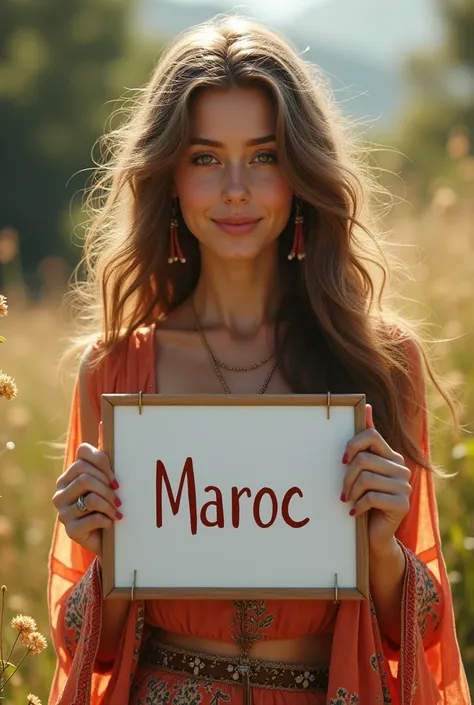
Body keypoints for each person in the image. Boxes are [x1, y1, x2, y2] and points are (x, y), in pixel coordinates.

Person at [48, 14, 470, 705]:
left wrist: (384, 547)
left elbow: (418, 629)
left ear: (301, 173)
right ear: (172, 178)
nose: (236, 188)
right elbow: (85, 642)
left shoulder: (379, 360)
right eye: (206, 157)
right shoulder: (116, 369)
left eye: (266, 156)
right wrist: (101, 552)